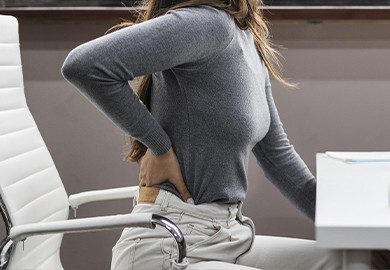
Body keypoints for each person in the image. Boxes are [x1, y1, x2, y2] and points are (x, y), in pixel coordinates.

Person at [61, 0, 343, 269]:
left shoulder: (245, 36)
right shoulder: (207, 24)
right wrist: (159, 146)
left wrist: (349, 223)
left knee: (353, 261)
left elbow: (277, 155)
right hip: (173, 242)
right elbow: (85, 65)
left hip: (227, 233)